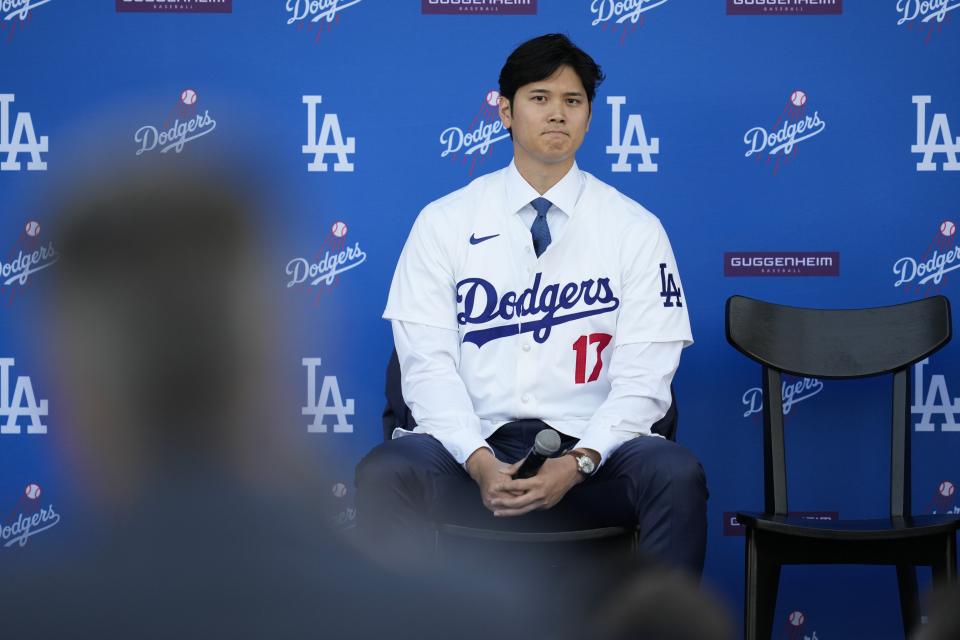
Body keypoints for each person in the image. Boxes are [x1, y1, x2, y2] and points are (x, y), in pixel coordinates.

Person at [356, 33, 707, 575]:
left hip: (593, 457)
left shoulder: (635, 229)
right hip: (471, 453)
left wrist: (579, 461)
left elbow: (645, 383)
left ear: (590, 118)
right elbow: (424, 367)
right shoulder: (444, 221)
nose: (557, 114)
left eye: (573, 101)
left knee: (674, 472)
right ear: (504, 111)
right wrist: (478, 462)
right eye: (539, 98)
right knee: (387, 470)